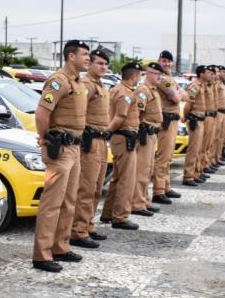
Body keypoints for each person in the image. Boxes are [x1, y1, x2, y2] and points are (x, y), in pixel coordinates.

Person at [32, 40, 90, 273]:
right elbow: (42, 112)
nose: (87, 58)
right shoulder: (58, 81)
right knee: (52, 202)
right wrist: (45, 137)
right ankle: (42, 254)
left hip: (74, 148)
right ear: (70, 57)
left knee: (69, 201)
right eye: (84, 54)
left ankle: (60, 246)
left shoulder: (77, 82)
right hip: (60, 148)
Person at [70, 48, 117, 248]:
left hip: (101, 141)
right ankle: (77, 231)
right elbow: (78, 113)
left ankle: (88, 225)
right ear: (89, 64)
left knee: (97, 187)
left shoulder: (101, 85)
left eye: (106, 64)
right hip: (88, 142)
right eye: (99, 63)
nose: (103, 67)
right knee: (86, 188)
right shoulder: (86, 85)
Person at [101, 61, 144, 230]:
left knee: (118, 177)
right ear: (134, 75)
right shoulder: (124, 92)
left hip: (123, 138)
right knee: (127, 179)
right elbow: (119, 118)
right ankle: (120, 217)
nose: (139, 78)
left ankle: (108, 213)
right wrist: (107, 133)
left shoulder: (121, 89)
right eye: (139, 75)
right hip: (124, 138)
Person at [131, 62, 164, 216]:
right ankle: (137, 203)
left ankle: (143, 199)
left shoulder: (152, 90)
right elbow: (137, 113)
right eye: (157, 74)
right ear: (149, 73)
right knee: (142, 170)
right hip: (144, 134)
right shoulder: (143, 90)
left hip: (152, 134)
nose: (160, 77)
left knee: (148, 168)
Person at [152, 51, 183, 205]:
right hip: (165, 120)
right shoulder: (162, 78)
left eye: (168, 62)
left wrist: (179, 92)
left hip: (172, 120)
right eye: (163, 61)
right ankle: (158, 190)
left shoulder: (169, 77)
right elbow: (177, 97)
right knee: (163, 156)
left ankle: (166, 186)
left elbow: (184, 94)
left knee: (168, 156)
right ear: (159, 61)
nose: (166, 64)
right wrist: (179, 93)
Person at [182, 65, 210, 186]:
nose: (210, 74)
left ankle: (195, 173)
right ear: (201, 74)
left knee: (199, 148)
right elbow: (188, 105)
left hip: (201, 120)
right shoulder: (194, 87)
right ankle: (188, 176)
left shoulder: (201, 86)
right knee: (193, 149)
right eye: (208, 72)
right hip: (195, 120)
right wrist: (186, 117)